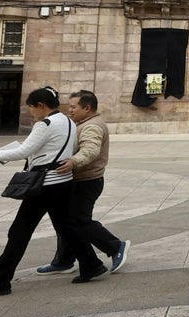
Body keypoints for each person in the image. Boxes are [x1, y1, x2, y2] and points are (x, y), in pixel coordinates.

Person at [0, 86, 109, 297]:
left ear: (41, 106)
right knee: (67, 226)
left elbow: (24, 151)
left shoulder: (45, 124)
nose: (30, 113)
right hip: (63, 182)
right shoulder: (68, 122)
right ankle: (91, 264)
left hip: (45, 185)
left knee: (19, 232)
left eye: (31, 108)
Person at [36, 90, 130, 275]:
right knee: (66, 220)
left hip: (86, 181)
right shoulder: (81, 123)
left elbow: (90, 150)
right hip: (78, 179)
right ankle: (63, 260)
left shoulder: (92, 126)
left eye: (73, 107)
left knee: (78, 220)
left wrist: (73, 162)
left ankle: (115, 246)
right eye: (69, 106)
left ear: (87, 108)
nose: (69, 110)